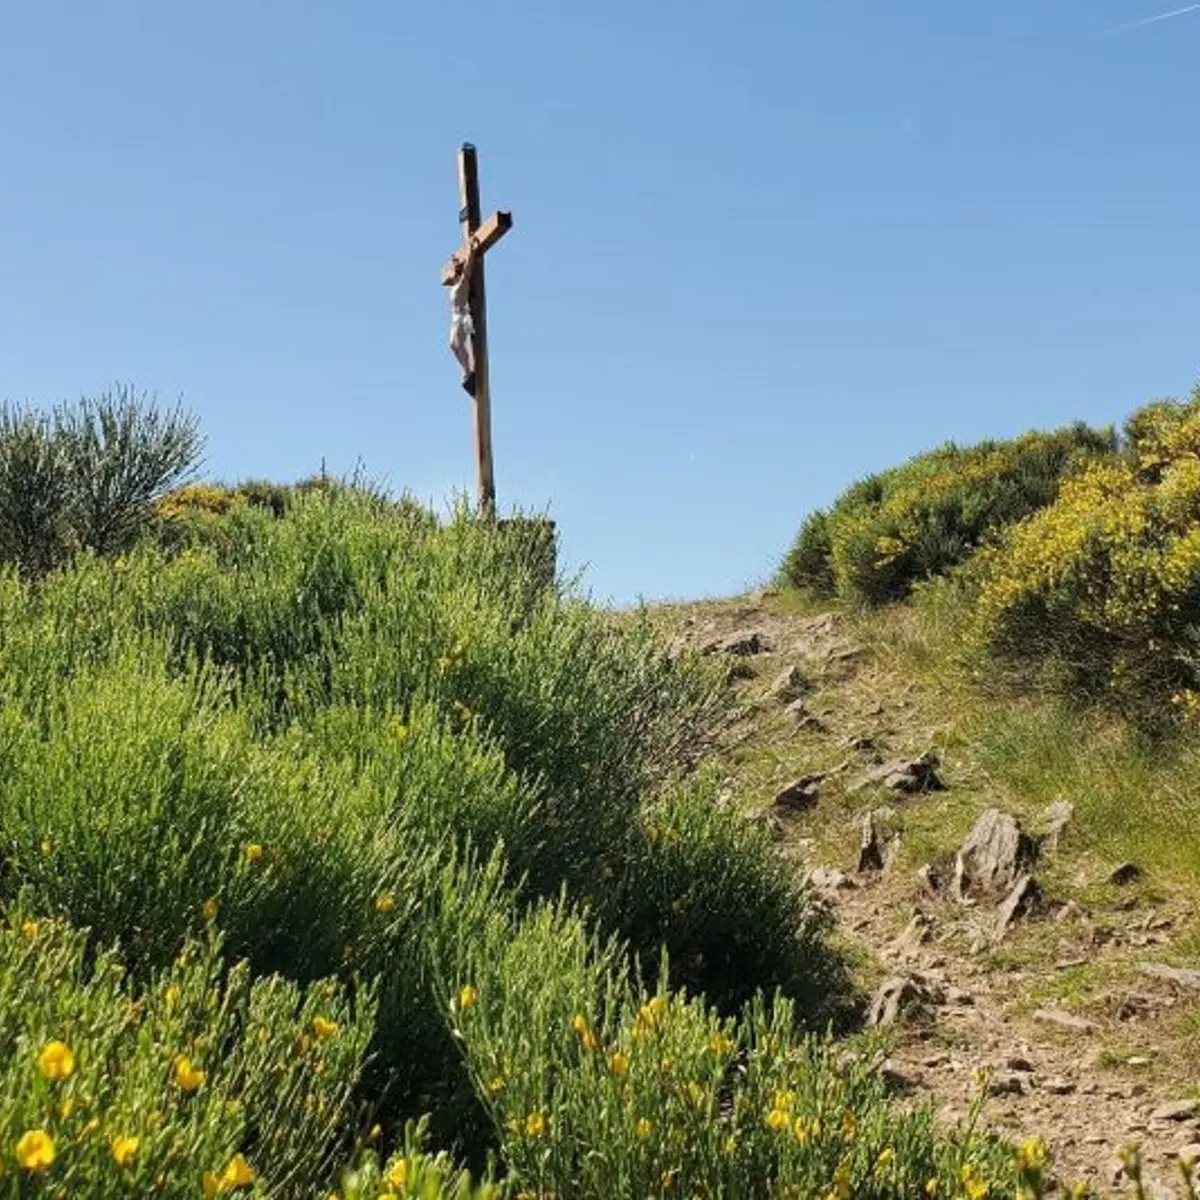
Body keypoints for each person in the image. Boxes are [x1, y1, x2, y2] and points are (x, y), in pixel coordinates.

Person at [445, 236, 480, 397]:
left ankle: (468, 372)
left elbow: (468, 270)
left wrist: (472, 250)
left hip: (462, 316)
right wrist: (454, 260)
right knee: (452, 345)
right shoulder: (454, 285)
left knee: (458, 343)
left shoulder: (463, 283)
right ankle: (467, 370)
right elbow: (456, 271)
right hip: (455, 317)